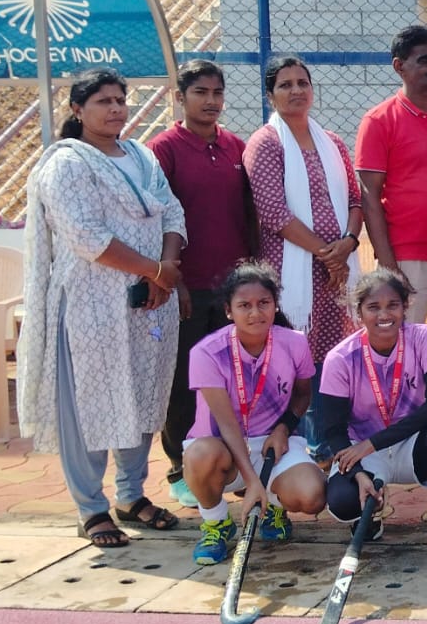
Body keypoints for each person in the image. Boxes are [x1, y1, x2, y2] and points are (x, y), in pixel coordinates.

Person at [19, 68, 185, 547]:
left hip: (148, 301)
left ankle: (130, 494)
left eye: (120, 100)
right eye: (103, 102)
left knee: (139, 395)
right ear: (77, 110)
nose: (115, 109)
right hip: (92, 305)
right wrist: (157, 270)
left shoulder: (140, 156)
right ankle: (90, 507)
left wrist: (166, 267)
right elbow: (88, 238)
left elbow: (172, 211)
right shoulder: (67, 164)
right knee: (88, 405)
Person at [355, 25, 427, 443]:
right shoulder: (378, 120)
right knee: (400, 348)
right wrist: (387, 266)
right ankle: (398, 434)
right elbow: (369, 196)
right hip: (406, 257)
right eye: (425, 60)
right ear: (399, 67)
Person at [149, 59, 255, 508]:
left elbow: (249, 216)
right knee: (183, 379)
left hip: (232, 286)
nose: (211, 102)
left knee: (230, 378)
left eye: (217, 93)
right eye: (200, 93)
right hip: (187, 286)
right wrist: (175, 281)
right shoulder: (164, 149)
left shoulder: (236, 147)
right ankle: (180, 465)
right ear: (180, 97)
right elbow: (157, 219)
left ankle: (227, 460)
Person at [245, 55, 363, 457]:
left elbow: (355, 199)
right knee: (297, 360)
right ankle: (299, 447)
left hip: (337, 272)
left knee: (333, 357)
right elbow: (274, 212)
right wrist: (327, 254)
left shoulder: (332, 141)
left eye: (302, 82)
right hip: (292, 273)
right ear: (270, 94)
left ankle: (330, 443)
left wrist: (346, 244)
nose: (296, 91)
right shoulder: (266, 143)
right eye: (285, 84)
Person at [181, 263, 325, 565]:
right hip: (223, 446)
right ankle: (216, 522)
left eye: (264, 303)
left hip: (276, 444)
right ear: (229, 311)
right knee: (199, 455)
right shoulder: (207, 353)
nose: (255, 313)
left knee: (312, 495)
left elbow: (302, 394)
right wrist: (252, 481)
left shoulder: (294, 342)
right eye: (244, 305)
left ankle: (274, 505)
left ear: (275, 305)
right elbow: (226, 424)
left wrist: (284, 428)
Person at [320, 269, 427, 557]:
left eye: (393, 305)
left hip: (411, 445)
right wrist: (360, 475)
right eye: (373, 307)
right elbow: (334, 432)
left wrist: (374, 443)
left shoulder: (423, 337)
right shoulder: (339, 358)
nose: (384, 314)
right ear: (359, 312)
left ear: (406, 306)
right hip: (364, 451)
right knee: (342, 502)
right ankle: (371, 508)